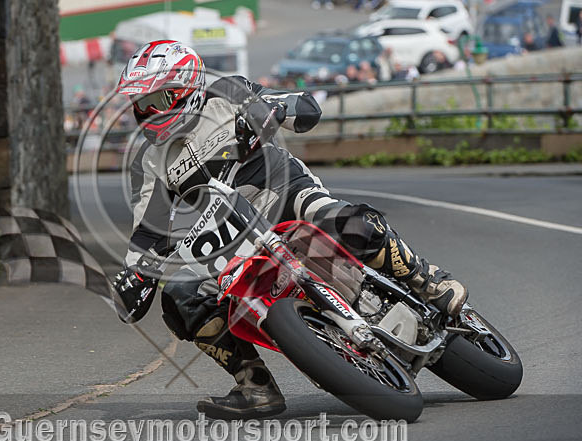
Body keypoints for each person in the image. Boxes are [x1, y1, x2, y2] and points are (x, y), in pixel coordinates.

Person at [113, 41, 468, 420]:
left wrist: (273, 110)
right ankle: (254, 385)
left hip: (287, 196)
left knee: (351, 222)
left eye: (155, 100)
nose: (146, 112)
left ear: (185, 88)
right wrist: (136, 274)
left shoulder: (228, 92)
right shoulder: (149, 163)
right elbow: (148, 232)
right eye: (140, 104)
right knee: (180, 298)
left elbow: (306, 107)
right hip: (231, 235)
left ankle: (425, 279)